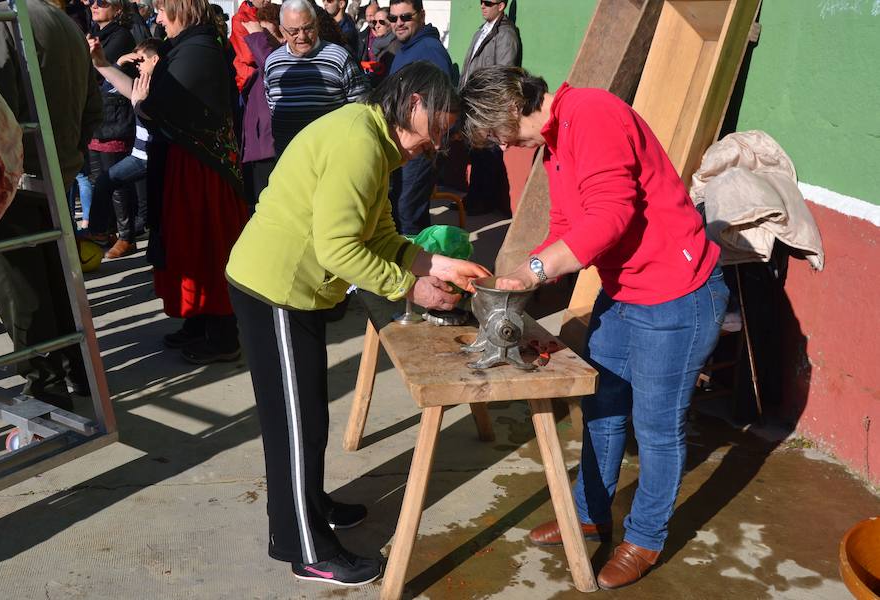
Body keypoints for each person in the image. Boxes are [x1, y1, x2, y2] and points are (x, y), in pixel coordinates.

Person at [460, 66, 729, 589]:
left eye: (492, 130)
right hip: (625, 289)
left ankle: (644, 538)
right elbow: (567, 226)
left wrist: (533, 272)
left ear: (511, 105)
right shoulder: (557, 144)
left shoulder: (593, 115)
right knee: (602, 405)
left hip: (676, 294)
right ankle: (588, 512)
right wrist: (519, 277)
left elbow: (611, 217)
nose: (497, 143)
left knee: (656, 427)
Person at [226, 60, 491, 588]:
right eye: (439, 129)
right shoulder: (360, 143)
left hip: (294, 292)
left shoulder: (374, 138)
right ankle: (304, 546)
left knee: (307, 417)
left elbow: (382, 231)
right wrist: (408, 287)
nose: (437, 145)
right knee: (294, 426)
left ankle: (308, 507)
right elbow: (340, 247)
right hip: (276, 289)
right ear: (414, 103)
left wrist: (436, 264)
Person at [92, 0, 249, 362]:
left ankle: (223, 336)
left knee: (206, 248)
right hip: (184, 166)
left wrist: (143, 102)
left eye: (163, 10)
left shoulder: (199, 51)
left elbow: (152, 105)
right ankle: (198, 323)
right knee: (187, 246)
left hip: (202, 172)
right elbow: (142, 96)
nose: (158, 18)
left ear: (181, 9)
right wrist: (103, 65)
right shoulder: (183, 47)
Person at [0, 0, 103, 409]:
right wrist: (66, 153)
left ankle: (46, 382)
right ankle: (76, 370)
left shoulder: (2, 19)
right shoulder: (66, 25)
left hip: (16, 177)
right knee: (57, 276)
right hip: (57, 171)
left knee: (20, 283)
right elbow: (94, 108)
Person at [263, 0, 367, 158]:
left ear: (317, 25)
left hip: (332, 158)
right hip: (288, 160)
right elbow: (272, 105)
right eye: (293, 31)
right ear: (282, 31)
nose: (302, 36)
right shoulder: (272, 63)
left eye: (308, 28)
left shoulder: (339, 58)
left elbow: (362, 107)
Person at [85, 38, 160, 251]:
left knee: (150, 208)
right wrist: (113, 64)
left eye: (141, 60)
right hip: (138, 156)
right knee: (105, 181)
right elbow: (110, 89)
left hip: (152, 157)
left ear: (155, 60)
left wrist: (139, 102)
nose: (137, 65)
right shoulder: (139, 82)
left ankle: (128, 237)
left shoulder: (159, 85)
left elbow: (152, 116)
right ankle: (98, 232)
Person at [386, 0, 453, 235]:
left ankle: (416, 267)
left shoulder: (429, 50)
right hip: (403, 145)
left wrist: (428, 144)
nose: (398, 23)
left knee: (407, 212)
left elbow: (441, 105)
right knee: (404, 209)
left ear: (421, 16)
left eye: (406, 17)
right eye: (393, 18)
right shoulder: (404, 49)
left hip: (421, 149)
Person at [86, 0, 139, 258]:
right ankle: (105, 230)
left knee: (115, 180)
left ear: (118, 8)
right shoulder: (95, 33)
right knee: (98, 178)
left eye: (102, 2)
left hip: (115, 117)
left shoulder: (120, 36)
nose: (95, 5)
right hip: (99, 116)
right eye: (92, 1)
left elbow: (96, 72)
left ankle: (126, 236)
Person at [459, 0, 519, 215]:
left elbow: (503, 73)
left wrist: (486, 103)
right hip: (474, 104)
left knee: (487, 154)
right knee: (477, 153)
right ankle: (474, 199)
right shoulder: (482, 30)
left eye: (488, 2)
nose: (482, 6)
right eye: (481, 2)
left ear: (501, 6)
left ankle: (484, 202)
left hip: (487, 106)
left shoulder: (505, 35)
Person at [238, 4, 282, 211]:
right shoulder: (257, 65)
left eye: (267, 35)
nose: (262, 39)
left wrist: (257, 37)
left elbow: (274, 68)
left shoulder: (279, 59)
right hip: (255, 150)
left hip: (271, 149)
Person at [229, 0, 270, 92]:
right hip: (250, 79)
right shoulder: (240, 19)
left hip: (268, 75)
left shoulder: (272, 13)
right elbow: (248, 56)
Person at [359, 5, 397, 86]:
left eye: (382, 22)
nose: (377, 26)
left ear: (390, 23)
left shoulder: (394, 46)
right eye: (375, 22)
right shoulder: (378, 43)